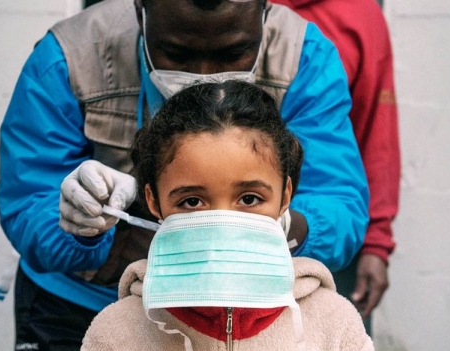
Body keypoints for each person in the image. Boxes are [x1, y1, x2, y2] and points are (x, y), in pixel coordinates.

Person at [0, 0, 369, 348]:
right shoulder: (68, 58)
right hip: (79, 306)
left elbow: (339, 205)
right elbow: (28, 203)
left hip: (252, 309)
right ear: (141, 8)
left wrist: (278, 227)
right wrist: (86, 228)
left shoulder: (304, 57)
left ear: (265, 10)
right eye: (176, 54)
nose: (202, 79)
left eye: (232, 53)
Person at [82, 80, 373, 351]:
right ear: (153, 201)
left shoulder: (334, 324)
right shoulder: (116, 332)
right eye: (192, 201)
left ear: (285, 195)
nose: (222, 223)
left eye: (249, 198)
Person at [271, 0, 400, 328]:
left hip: (325, 238)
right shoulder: (227, 9)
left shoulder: (360, 13)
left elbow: (375, 131)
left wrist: (376, 242)